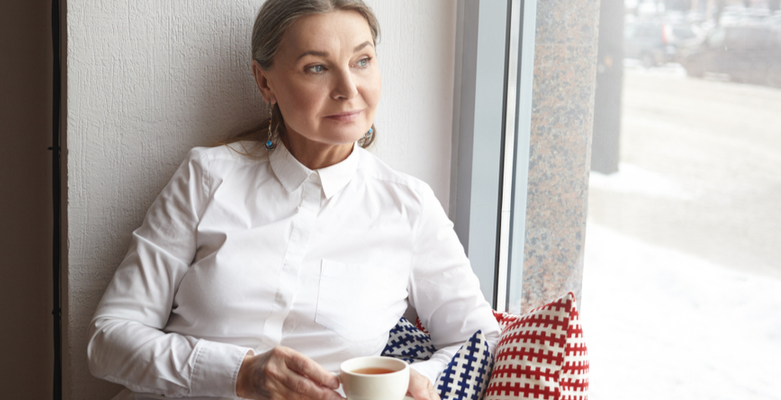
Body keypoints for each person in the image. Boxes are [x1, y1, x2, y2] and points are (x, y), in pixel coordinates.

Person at [87, 1, 501, 399]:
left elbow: (478, 343)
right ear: (265, 82)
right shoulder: (206, 177)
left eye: (362, 61)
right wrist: (241, 374)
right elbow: (107, 340)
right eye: (317, 68)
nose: (348, 89)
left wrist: (407, 381)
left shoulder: (409, 206)